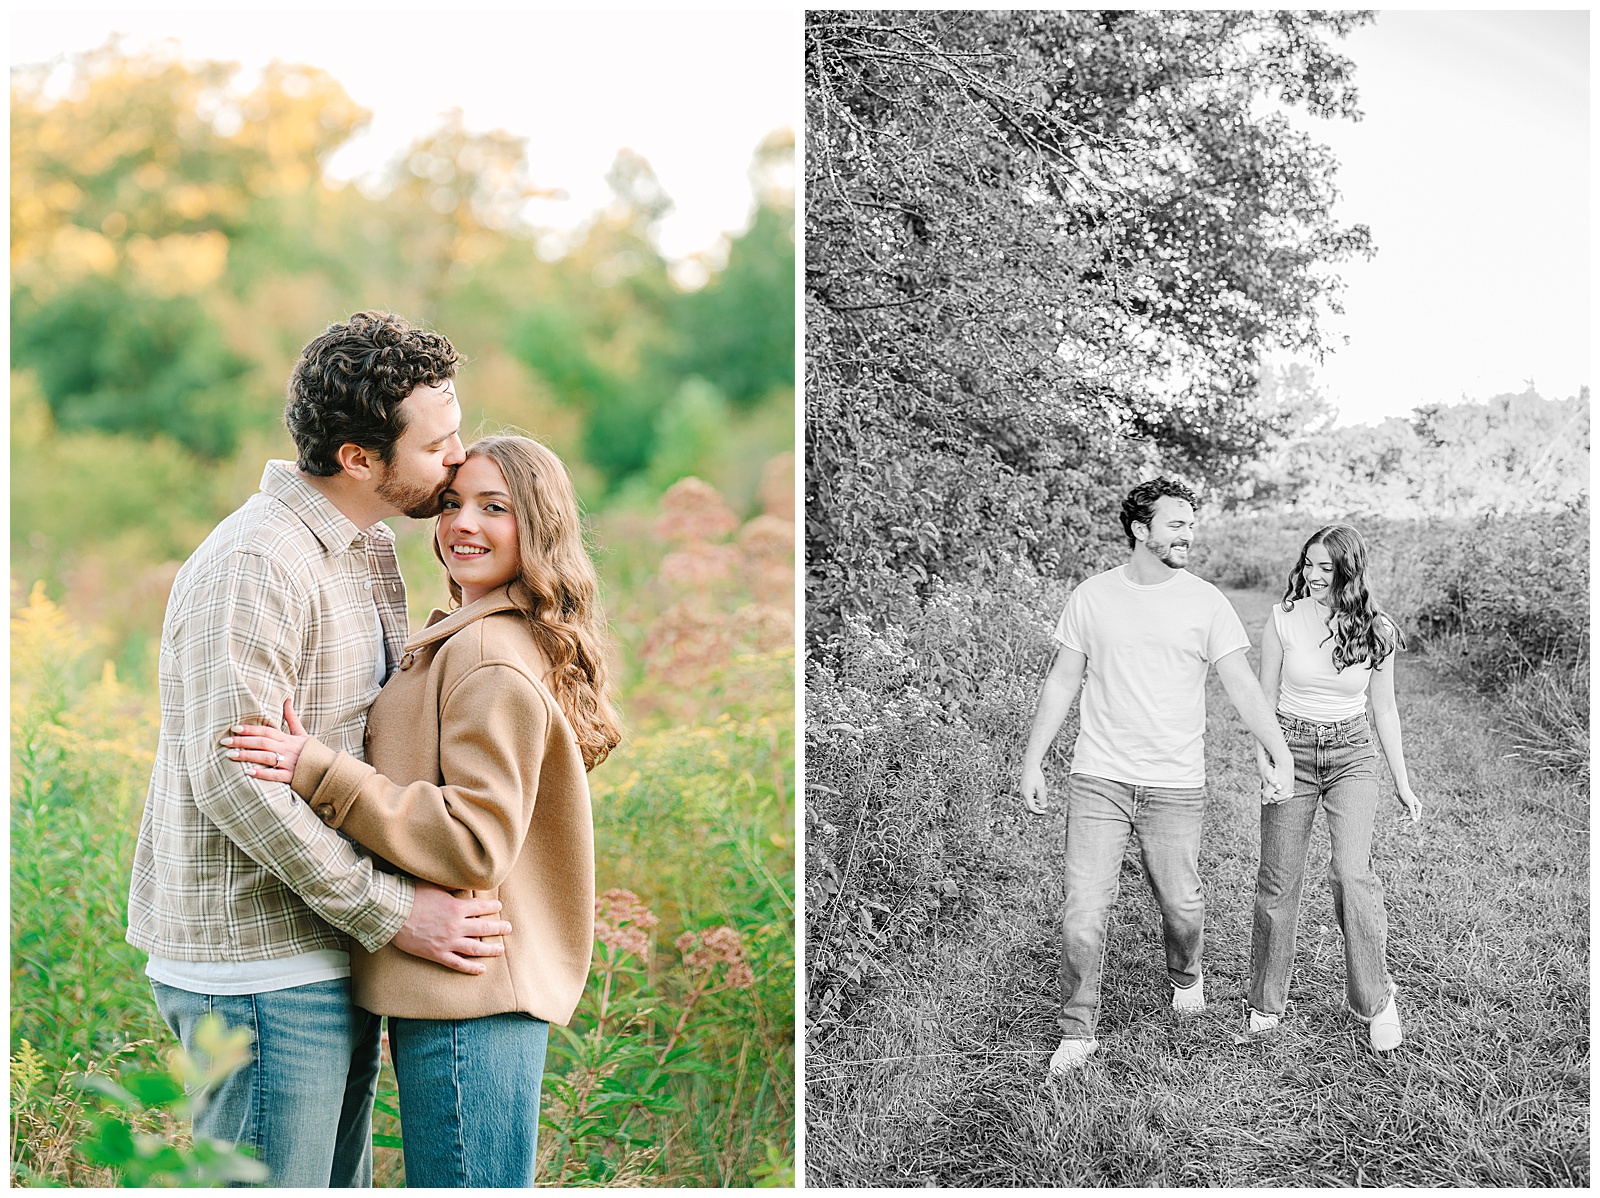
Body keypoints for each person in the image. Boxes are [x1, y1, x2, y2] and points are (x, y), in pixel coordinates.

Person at [127, 312, 515, 1188]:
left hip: (324, 942)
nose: (458, 460)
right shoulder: (258, 563)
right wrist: (394, 912)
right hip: (259, 962)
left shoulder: (365, 546)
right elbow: (233, 781)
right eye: (437, 445)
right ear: (357, 458)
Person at [224, 435, 620, 1187]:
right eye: (451, 503)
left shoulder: (486, 655)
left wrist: (318, 770)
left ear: (538, 526)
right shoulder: (473, 636)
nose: (463, 524)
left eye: (494, 508)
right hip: (454, 987)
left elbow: (476, 841)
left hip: (473, 995)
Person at [1019, 477, 1295, 1075]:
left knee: (1183, 906)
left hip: (1175, 783)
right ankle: (1077, 1028)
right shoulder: (1092, 597)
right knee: (1082, 911)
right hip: (1099, 776)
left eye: (1191, 525)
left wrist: (1279, 750)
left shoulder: (1206, 602)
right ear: (1140, 530)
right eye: (1176, 525)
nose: (1188, 535)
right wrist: (1034, 757)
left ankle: (1186, 973)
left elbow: (1242, 686)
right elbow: (1064, 679)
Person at [1246, 523, 1421, 1052]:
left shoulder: (1377, 630)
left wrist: (1403, 783)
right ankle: (1265, 999)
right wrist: (1267, 762)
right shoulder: (1282, 620)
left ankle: (1374, 999)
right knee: (1279, 877)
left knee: (1351, 873)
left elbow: (1384, 709)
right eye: (1309, 564)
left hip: (1352, 752)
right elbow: (1265, 700)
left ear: (1349, 570)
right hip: (1291, 751)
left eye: (1327, 567)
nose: (1314, 575)